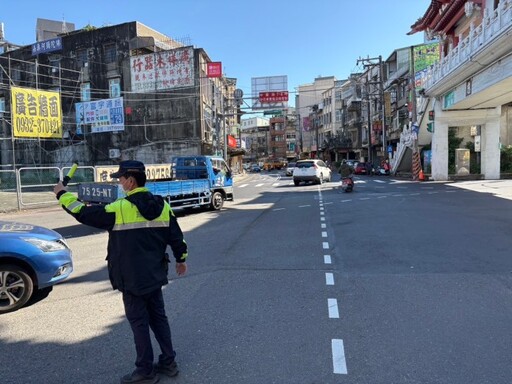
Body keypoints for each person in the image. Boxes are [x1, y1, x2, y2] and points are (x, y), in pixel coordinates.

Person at [53, 160, 188, 384]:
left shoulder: (120, 208)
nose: (120, 182)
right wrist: (181, 259)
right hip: (155, 276)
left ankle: (145, 371)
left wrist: (61, 194)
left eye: (121, 178)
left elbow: (82, 212)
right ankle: (169, 362)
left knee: (139, 323)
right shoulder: (163, 205)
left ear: (131, 180)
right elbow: (177, 237)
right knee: (159, 319)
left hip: (132, 279)